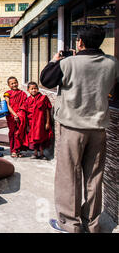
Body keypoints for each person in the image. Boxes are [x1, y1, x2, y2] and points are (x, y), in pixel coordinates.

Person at [40, 25, 119, 233]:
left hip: (73, 129)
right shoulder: (112, 63)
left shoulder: (68, 63)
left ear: (80, 42)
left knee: (69, 176)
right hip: (99, 129)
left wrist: (55, 60)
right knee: (94, 178)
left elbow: (46, 80)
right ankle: (92, 223)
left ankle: (70, 224)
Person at [19, 82, 53, 160]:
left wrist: (47, 122)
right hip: (32, 123)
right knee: (33, 138)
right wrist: (27, 125)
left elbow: (47, 110)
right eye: (32, 89)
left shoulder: (43, 98)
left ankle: (41, 153)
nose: (34, 90)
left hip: (41, 123)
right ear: (28, 90)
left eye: (35, 88)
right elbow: (26, 113)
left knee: (41, 137)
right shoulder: (27, 100)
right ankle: (35, 153)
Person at [4, 77, 28, 158]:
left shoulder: (22, 93)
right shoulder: (7, 93)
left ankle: (19, 150)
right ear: (9, 85)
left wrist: (20, 114)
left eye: (16, 82)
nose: (14, 84)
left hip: (20, 115)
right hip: (11, 116)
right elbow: (8, 105)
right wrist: (15, 115)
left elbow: (24, 105)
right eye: (12, 83)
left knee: (20, 132)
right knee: (13, 133)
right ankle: (13, 150)